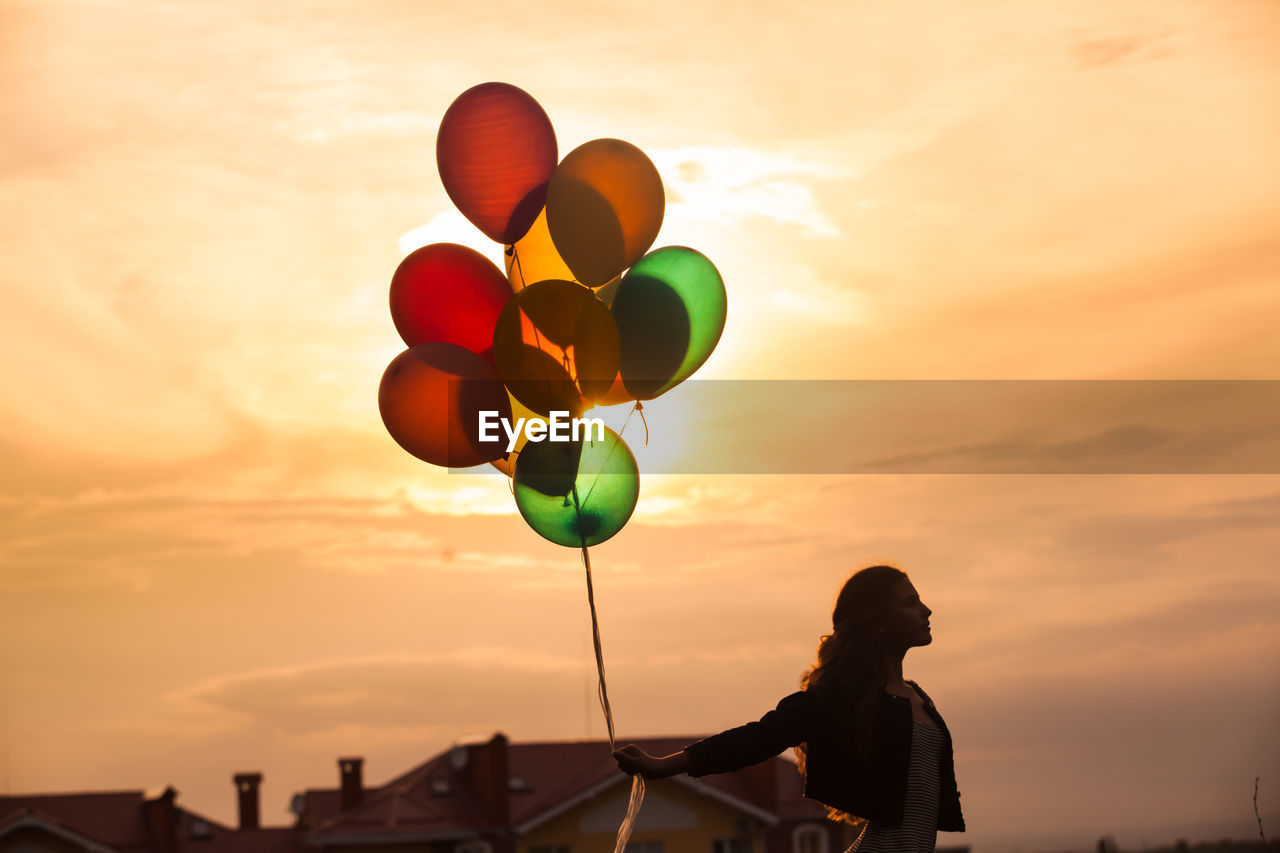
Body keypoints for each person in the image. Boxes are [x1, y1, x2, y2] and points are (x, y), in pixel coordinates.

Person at [612, 565, 964, 853]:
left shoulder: (919, 699)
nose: (926, 610)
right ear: (879, 621)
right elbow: (760, 737)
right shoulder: (843, 699)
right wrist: (663, 766)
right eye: (910, 602)